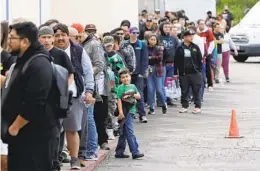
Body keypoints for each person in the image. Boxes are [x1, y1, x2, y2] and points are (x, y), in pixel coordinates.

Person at [1, 21, 55, 171]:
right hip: (20, 138)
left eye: (12, 38)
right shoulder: (23, 59)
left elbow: (35, 102)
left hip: (33, 137)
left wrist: (14, 127)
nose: (8, 42)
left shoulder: (39, 63)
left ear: (25, 41)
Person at [53, 23, 95, 169]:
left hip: (74, 96)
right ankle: (55, 160)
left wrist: (89, 90)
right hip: (53, 98)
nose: (60, 38)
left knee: (72, 129)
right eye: (56, 35)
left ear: (67, 36)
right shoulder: (48, 52)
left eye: (62, 35)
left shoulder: (78, 50)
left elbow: (88, 71)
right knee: (55, 131)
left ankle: (75, 159)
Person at [115, 68, 144, 159]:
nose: (125, 79)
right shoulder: (120, 88)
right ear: (120, 79)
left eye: (127, 76)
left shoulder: (133, 86)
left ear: (130, 77)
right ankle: (135, 152)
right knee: (130, 132)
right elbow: (119, 100)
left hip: (131, 112)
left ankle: (119, 152)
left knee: (124, 133)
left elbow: (138, 96)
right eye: (123, 77)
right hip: (125, 112)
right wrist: (120, 112)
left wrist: (131, 95)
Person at [174, 30, 203, 114]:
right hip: (184, 73)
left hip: (195, 72)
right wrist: (175, 72)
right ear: (185, 37)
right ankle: (184, 106)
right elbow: (176, 61)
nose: (191, 37)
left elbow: (199, 58)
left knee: (196, 90)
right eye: (189, 36)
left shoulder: (195, 47)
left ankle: (197, 106)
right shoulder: (179, 48)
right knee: (184, 90)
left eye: (192, 36)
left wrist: (199, 70)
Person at [126, 27, 148, 123]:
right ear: (129, 33)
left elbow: (144, 59)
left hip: (138, 73)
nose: (135, 34)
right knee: (127, 93)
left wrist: (141, 73)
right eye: (133, 32)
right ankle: (130, 113)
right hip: (127, 73)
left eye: (137, 33)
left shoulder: (141, 44)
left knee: (139, 94)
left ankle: (142, 114)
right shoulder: (125, 44)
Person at [146, 34, 167, 115]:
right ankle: (151, 107)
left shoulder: (159, 48)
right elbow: (145, 57)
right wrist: (151, 58)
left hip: (157, 70)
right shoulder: (146, 48)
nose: (153, 41)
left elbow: (160, 58)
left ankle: (163, 103)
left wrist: (150, 58)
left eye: (154, 39)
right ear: (148, 40)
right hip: (149, 70)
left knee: (159, 89)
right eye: (151, 39)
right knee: (150, 89)